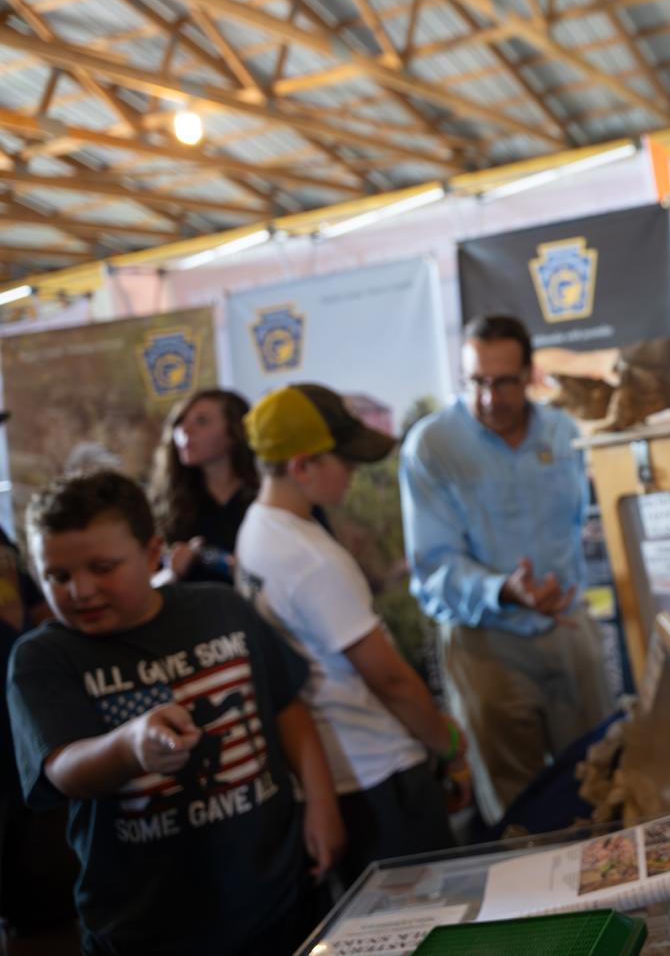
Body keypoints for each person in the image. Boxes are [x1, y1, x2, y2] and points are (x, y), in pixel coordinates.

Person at [6, 470, 343, 955]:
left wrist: (322, 804)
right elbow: (61, 769)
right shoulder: (43, 656)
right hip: (144, 923)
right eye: (57, 576)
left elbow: (286, 707)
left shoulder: (220, 608)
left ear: (151, 553)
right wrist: (130, 746)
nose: (80, 591)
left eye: (102, 567)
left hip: (275, 897)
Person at [236, 384, 467, 885]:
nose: (354, 474)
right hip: (381, 773)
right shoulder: (312, 560)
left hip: (338, 772)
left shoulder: (257, 529)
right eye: (344, 461)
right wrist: (448, 743)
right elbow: (390, 680)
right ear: (302, 467)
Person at [400, 315, 613, 826]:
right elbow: (432, 567)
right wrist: (503, 590)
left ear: (529, 375)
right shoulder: (432, 447)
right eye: (477, 382)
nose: (490, 398)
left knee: (604, 780)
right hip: (484, 645)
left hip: (567, 629)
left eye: (504, 382)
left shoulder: (562, 431)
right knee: (517, 809)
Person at [148, 389, 258, 584]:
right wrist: (174, 572)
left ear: (235, 432)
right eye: (181, 422)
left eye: (202, 421)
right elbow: (145, 588)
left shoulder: (268, 496)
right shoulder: (167, 504)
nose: (185, 430)